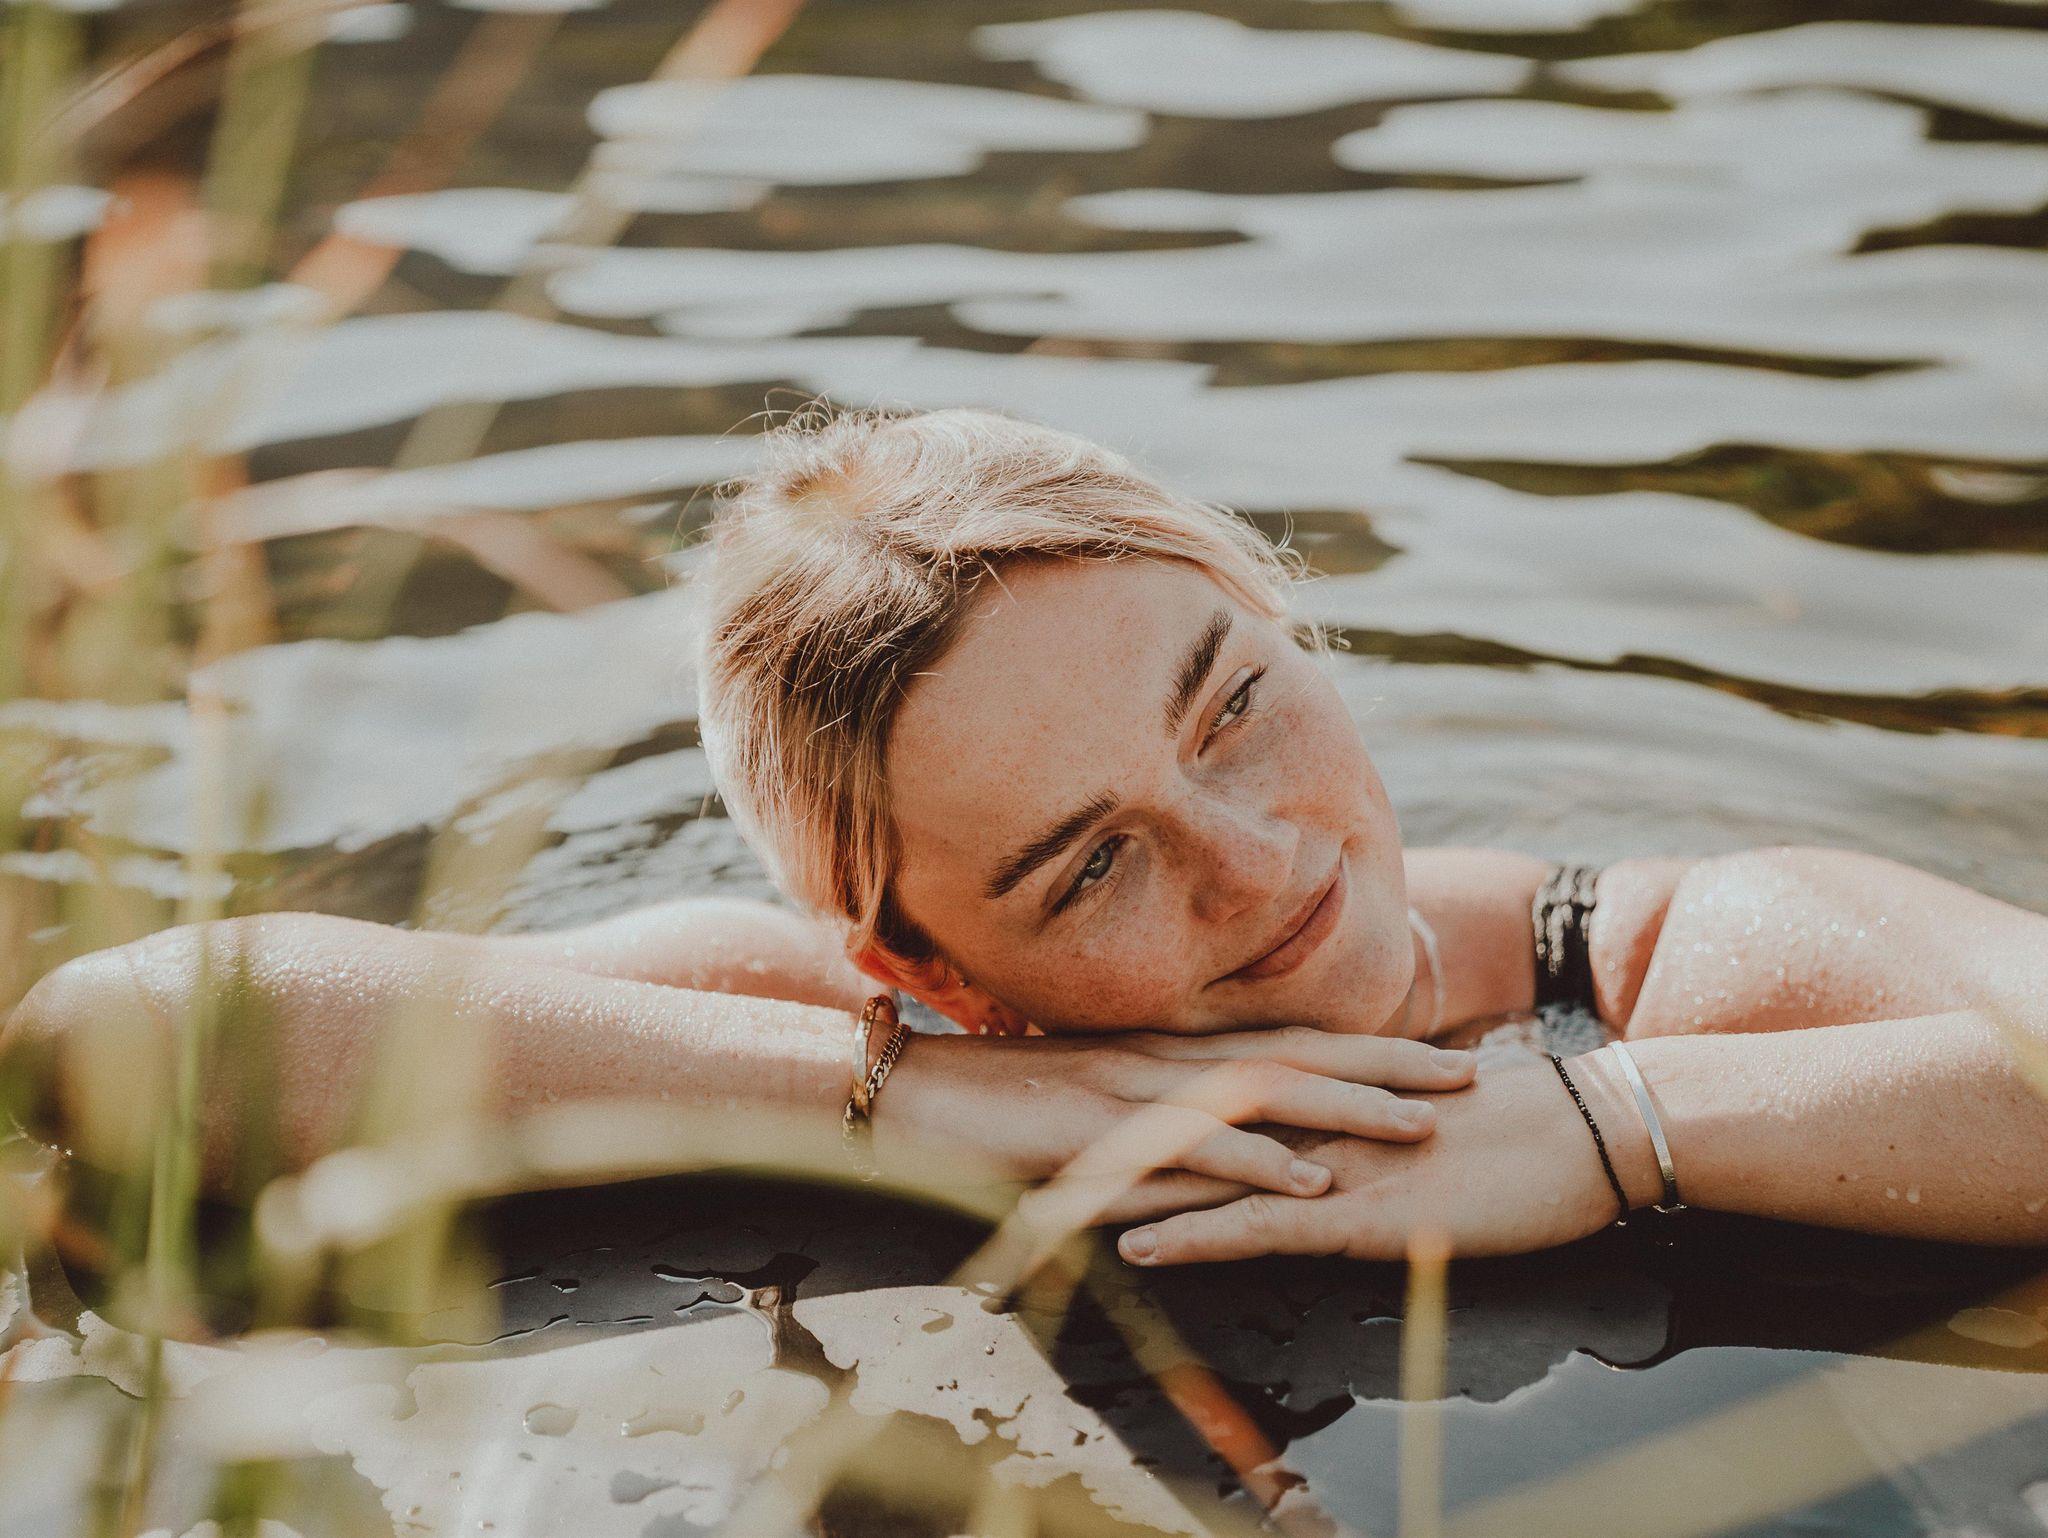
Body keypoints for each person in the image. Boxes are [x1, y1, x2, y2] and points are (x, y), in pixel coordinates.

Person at [9, 409, 2046, 1267]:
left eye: (1230, 705)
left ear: (1287, 620)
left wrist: (1602, 1128)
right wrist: (933, 1104)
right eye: (1087, 864)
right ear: (917, 958)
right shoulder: (874, 1023)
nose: (1254, 862)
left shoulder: (1656, 956)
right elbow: (122, 1035)